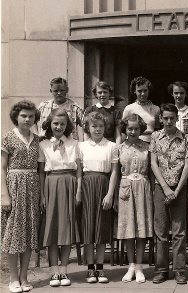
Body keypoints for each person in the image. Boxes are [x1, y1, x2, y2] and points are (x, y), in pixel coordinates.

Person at [150, 103, 188, 284]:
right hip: (161, 188)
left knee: (179, 232)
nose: (168, 121)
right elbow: (153, 163)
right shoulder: (155, 137)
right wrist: (166, 189)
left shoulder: (185, 138)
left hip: (179, 189)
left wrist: (176, 190)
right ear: (161, 118)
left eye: (171, 118)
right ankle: (161, 270)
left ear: (177, 118)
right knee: (160, 232)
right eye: (165, 118)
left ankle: (179, 270)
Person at [38, 108, 82, 287]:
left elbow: (79, 169)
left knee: (66, 228)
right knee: (53, 228)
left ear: (68, 125)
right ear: (49, 123)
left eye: (63, 124)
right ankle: (54, 271)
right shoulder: (43, 145)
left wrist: (78, 190)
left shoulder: (74, 144)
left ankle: (64, 270)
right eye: (56, 123)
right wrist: (42, 195)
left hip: (70, 183)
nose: (59, 126)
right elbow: (41, 172)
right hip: (51, 184)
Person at [1, 101, 41, 293]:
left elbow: (41, 171)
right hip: (14, 187)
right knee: (13, 234)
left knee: (29, 234)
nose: (27, 119)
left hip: (32, 189)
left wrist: (41, 195)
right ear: (16, 117)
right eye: (24, 115)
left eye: (31, 116)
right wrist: (4, 195)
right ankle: (13, 278)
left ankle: (24, 277)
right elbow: (2, 168)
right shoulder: (8, 138)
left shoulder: (38, 139)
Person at [79, 112, 119, 284]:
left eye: (101, 126)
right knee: (88, 227)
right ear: (88, 128)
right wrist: (79, 191)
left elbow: (115, 171)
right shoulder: (81, 146)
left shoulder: (111, 146)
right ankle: (90, 268)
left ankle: (100, 267)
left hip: (104, 185)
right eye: (94, 126)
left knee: (102, 227)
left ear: (105, 128)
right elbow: (79, 171)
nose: (97, 129)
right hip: (87, 185)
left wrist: (110, 193)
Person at [117, 114, 154, 283]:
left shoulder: (147, 147)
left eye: (136, 128)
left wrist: (153, 192)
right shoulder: (119, 148)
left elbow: (152, 172)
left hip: (143, 188)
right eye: (129, 128)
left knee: (141, 228)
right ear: (124, 129)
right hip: (125, 188)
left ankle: (139, 266)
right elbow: (115, 172)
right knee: (128, 229)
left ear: (141, 129)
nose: (132, 131)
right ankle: (130, 265)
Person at [122, 76, 161, 143]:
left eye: (145, 90)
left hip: (150, 143)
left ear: (149, 90)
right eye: (139, 91)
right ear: (134, 91)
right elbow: (123, 130)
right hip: (133, 144)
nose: (143, 94)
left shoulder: (156, 109)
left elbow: (157, 131)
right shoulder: (129, 108)